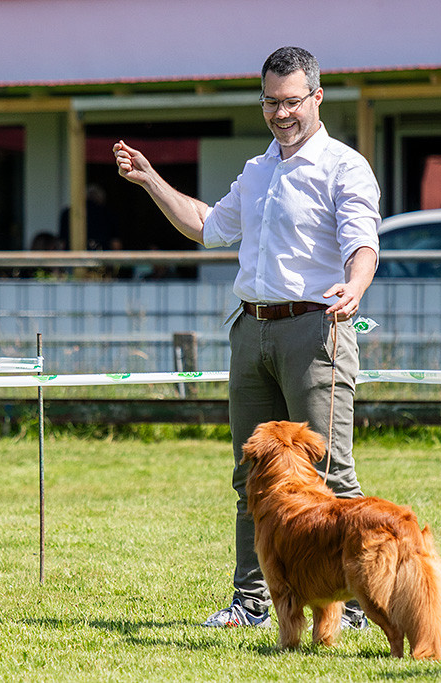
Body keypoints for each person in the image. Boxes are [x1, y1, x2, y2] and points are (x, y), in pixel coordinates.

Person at [114, 46, 380, 629]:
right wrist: (149, 179)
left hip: (317, 328)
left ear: (316, 97)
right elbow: (207, 227)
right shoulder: (258, 171)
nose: (281, 113)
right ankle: (252, 601)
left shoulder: (344, 166)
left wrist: (356, 286)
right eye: (270, 102)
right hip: (251, 329)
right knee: (251, 473)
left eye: (291, 101)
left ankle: (356, 599)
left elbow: (363, 241)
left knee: (331, 472)